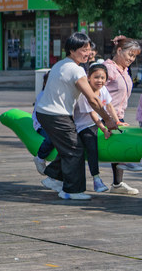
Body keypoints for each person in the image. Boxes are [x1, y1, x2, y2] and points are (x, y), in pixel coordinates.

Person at [37, 32, 118, 201]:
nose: (88, 53)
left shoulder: (61, 64)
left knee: (71, 146)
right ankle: (70, 190)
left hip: (48, 113)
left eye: (89, 49)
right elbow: (93, 99)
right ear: (72, 51)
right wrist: (108, 119)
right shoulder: (76, 69)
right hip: (55, 114)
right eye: (83, 49)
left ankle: (54, 177)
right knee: (75, 150)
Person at [104, 36, 142, 193]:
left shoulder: (125, 70)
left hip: (119, 115)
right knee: (118, 145)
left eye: (134, 56)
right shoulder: (108, 68)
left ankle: (117, 184)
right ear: (119, 51)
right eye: (130, 55)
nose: (132, 59)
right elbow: (96, 91)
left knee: (118, 145)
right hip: (105, 117)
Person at [73, 63, 114, 193]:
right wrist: (104, 129)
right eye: (96, 77)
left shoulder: (103, 89)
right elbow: (92, 114)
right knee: (91, 146)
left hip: (99, 122)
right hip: (84, 126)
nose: (100, 80)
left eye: (103, 78)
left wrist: (117, 121)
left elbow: (109, 106)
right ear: (88, 77)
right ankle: (96, 179)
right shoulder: (85, 93)